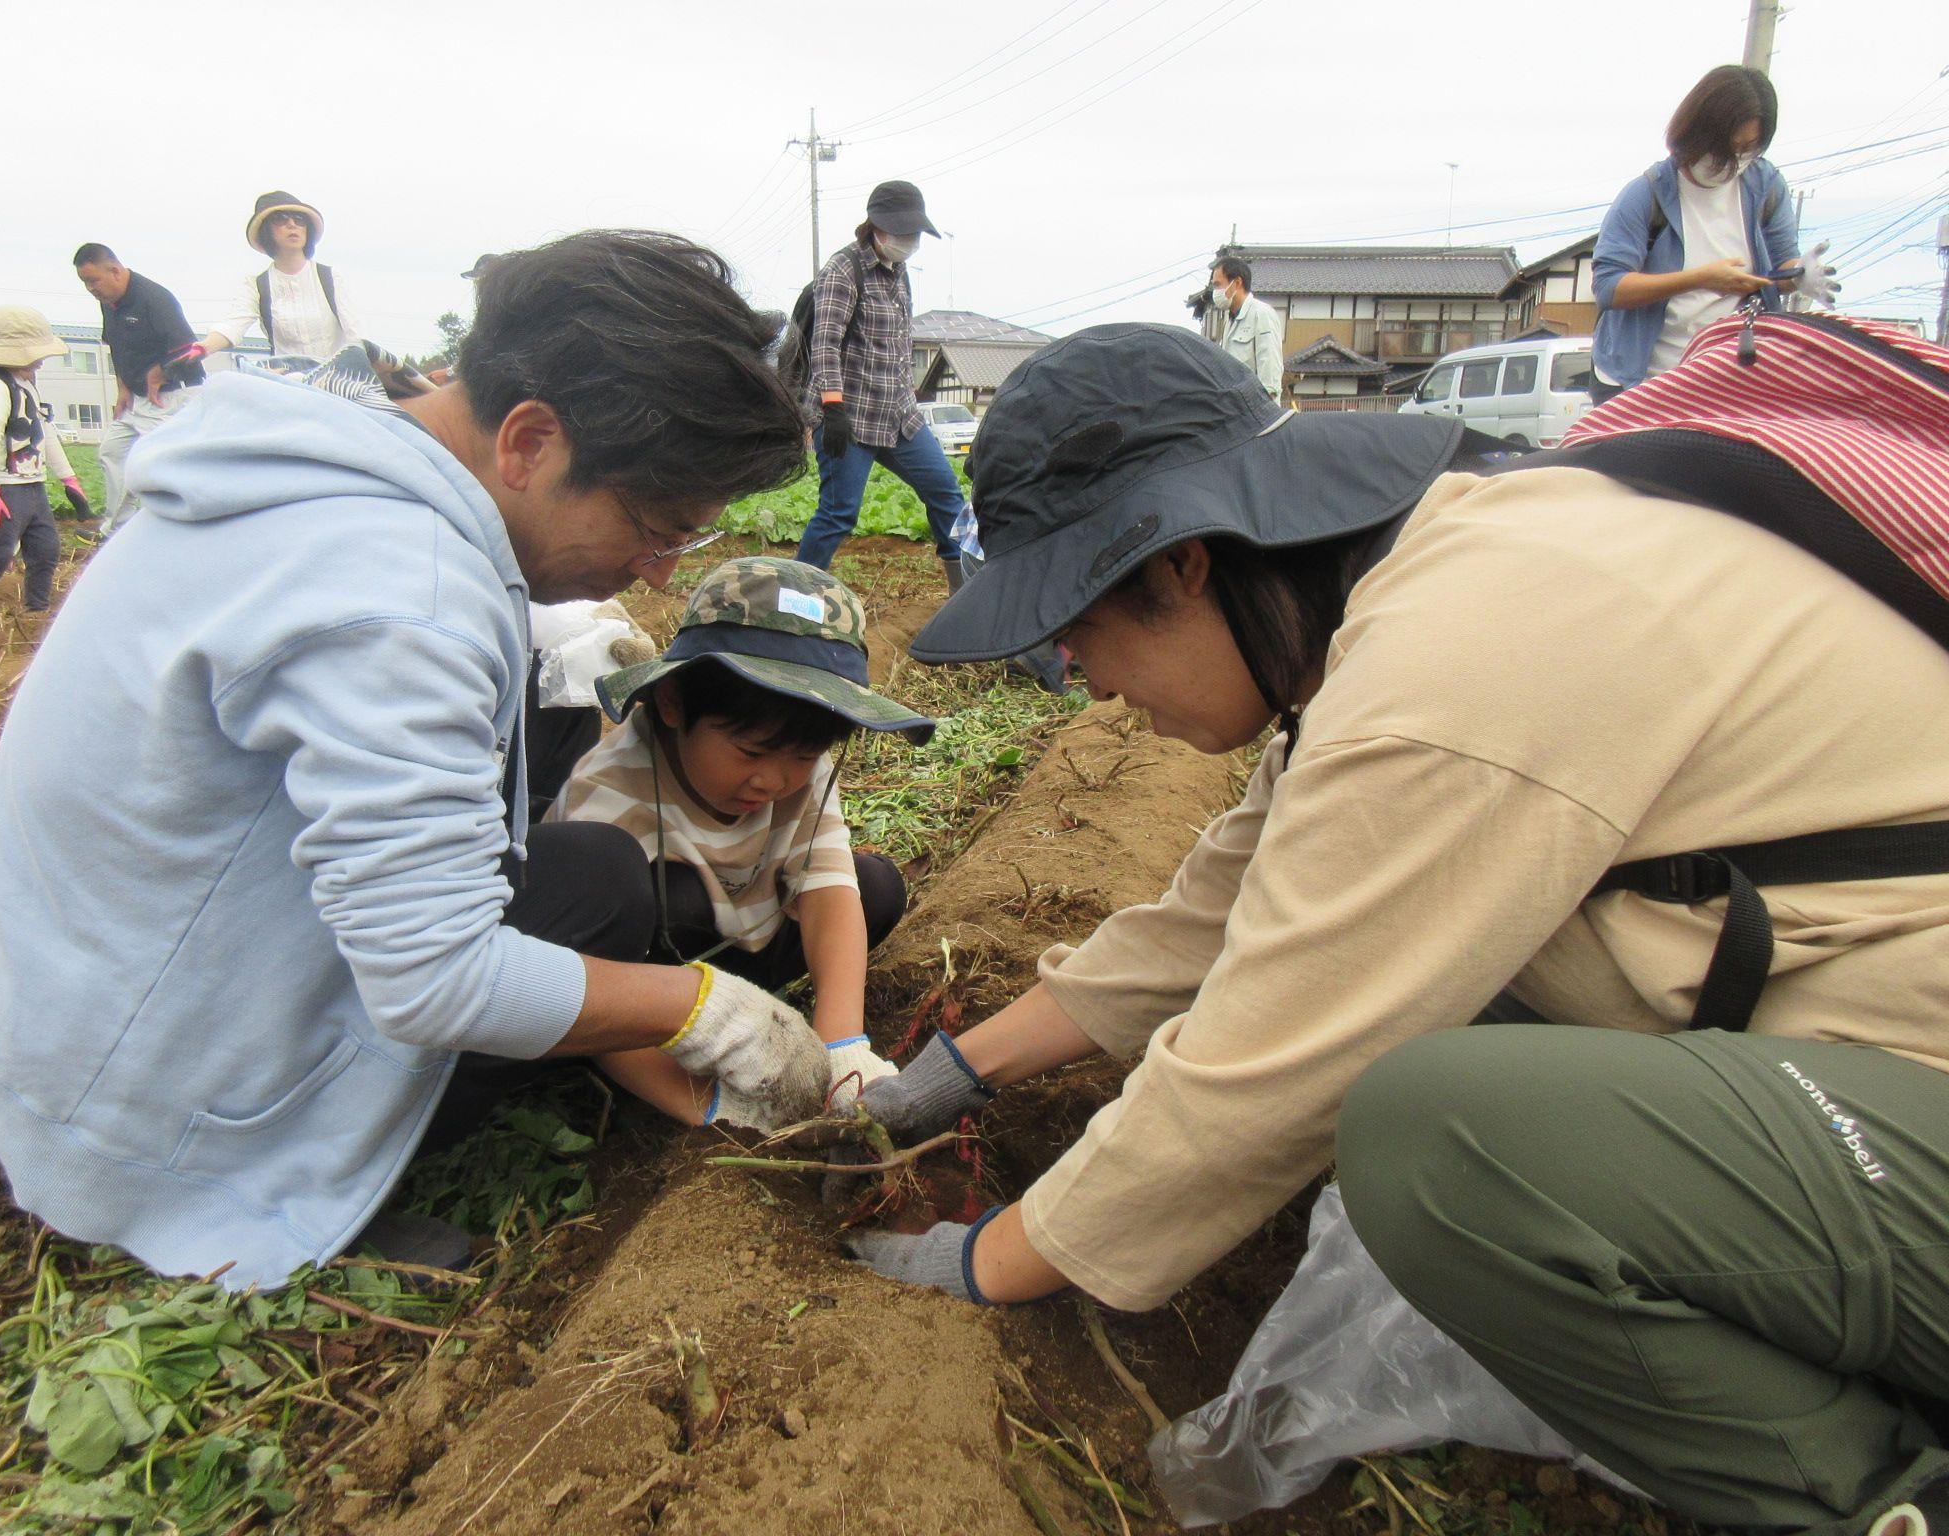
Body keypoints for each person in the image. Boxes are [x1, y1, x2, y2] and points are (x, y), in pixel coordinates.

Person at [844, 322, 1949, 1536]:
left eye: (1077, 627)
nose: (1083, 679)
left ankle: (1885, 1498)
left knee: (1441, 1142)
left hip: (1904, 1110)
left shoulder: (1465, 651)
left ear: (1183, 566)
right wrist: (954, 1072)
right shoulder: (1427, 594)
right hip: (1842, 1073)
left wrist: (991, 1259)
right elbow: (1218, 915)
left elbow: (1266, 1067)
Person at [0, 232, 822, 1290]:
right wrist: (702, 1009)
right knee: (591, 894)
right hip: (143, 1109)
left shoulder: (310, 480)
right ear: (529, 442)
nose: (657, 568)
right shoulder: (406, 594)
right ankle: (270, 1190)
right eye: (656, 526)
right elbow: (437, 976)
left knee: (579, 876)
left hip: (64, 1023)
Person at [544, 556, 930, 1130]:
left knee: (870, 887)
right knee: (658, 890)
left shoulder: (798, 766)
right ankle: (651, 1073)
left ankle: (760, 1020)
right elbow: (582, 977)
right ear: (673, 703)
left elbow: (824, 887)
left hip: (742, 953)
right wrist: (710, 1108)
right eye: (751, 752)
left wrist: (843, 1046)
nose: (774, 781)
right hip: (642, 985)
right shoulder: (611, 796)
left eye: (803, 756)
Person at [1591, 65, 1810, 404]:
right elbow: (1609, 287)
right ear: (1695, 134)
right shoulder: (1647, 194)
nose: (1735, 159)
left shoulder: (1765, 187)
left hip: (1729, 381)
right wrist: (1701, 278)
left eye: (1749, 148)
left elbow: (1782, 268)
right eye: (1725, 147)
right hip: (1647, 381)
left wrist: (1803, 274)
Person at [795, 180, 966, 589]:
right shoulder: (843, 270)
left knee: (948, 496)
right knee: (839, 513)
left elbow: (898, 347)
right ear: (875, 226)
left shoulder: (900, 274)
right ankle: (793, 598)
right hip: (848, 420)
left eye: (914, 234)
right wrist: (831, 408)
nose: (909, 241)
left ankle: (967, 593)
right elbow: (825, 343)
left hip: (899, 418)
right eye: (902, 232)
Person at [0, 306, 90, 615]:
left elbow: (45, 432)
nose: (41, 361)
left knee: (46, 550)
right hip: (5, 488)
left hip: (33, 486)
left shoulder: (26, 383)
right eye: (37, 354)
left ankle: (36, 610)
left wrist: (68, 478)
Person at [73, 243, 204, 535]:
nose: (90, 288)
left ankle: (177, 528)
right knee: (113, 451)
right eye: (85, 283)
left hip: (172, 395)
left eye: (93, 280)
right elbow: (116, 347)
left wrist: (159, 372)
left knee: (159, 463)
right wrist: (123, 388)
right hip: (138, 398)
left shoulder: (154, 298)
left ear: (115, 271)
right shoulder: (109, 303)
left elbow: (187, 350)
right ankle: (119, 530)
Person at [200, 191, 362, 363]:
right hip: (286, 383)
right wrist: (202, 348)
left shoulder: (330, 277)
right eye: (280, 218)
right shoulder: (256, 285)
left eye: (299, 219)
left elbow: (357, 336)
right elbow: (233, 326)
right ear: (266, 231)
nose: (292, 224)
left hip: (336, 383)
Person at [1210, 256, 1284, 401]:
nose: (1216, 292)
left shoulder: (1261, 314)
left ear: (1237, 283)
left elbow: (1270, 374)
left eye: (1218, 285)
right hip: (1237, 410)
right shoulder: (1229, 320)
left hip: (1259, 414)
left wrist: (1262, 410)